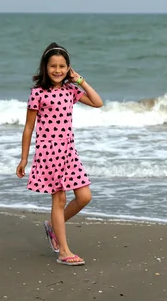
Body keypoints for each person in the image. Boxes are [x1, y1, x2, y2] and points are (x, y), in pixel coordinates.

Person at [16, 43, 103, 266]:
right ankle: (64, 251)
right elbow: (28, 128)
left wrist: (80, 80)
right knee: (60, 198)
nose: (57, 70)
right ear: (45, 68)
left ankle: (52, 225)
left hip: (69, 151)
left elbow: (97, 102)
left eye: (62, 66)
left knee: (84, 197)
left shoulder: (70, 90)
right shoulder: (38, 93)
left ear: (68, 68)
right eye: (53, 66)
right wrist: (24, 158)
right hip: (48, 152)